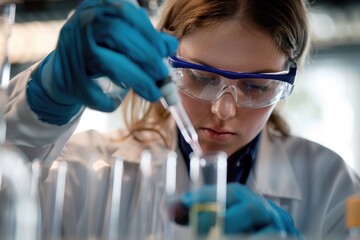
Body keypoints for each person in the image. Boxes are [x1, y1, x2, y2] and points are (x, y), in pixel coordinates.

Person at [4, 0, 360, 239]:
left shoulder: (334, 186)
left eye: (255, 86)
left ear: (286, 82)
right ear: (167, 66)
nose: (223, 111)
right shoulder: (84, 174)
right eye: (202, 78)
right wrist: (39, 105)